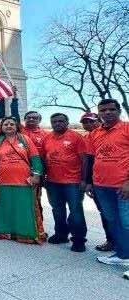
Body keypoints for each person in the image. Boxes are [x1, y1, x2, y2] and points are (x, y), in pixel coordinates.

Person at [86, 99, 129, 272]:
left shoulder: (126, 128)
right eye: (103, 110)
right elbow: (91, 158)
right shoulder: (95, 133)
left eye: (111, 109)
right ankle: (123, 254)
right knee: (113, 221)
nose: (107, 112)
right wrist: (89, 182)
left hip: (123, 186)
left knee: (127, 222)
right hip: (101, 186)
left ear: (119, 111)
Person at [0, 117, 44, 244]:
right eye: (6, 124)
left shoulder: (25, 139)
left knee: (24, 208)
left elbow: (35, 157)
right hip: (3, 181)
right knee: (5, 208)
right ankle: (6, 232)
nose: (9, 126)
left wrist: (36, 175)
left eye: (12, 124)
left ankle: (26, 234)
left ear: (16, 126)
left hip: (24, 181)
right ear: (1, 127)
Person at [42, 113, 88, 252]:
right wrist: (44, 177)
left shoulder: (76, 137)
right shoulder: (47, 138)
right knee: (57, 210)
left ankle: (78, 240)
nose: (57, 123)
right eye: (54, 121)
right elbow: (44, 158)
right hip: (52, 181)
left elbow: (84, 160)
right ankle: (61, 234)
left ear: (67, 122)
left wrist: (84, 180)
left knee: (76, 211)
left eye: (61, 121)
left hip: (72, 182)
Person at [81, 112, 113, 252]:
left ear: (99, 121)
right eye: (85, 122)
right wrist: (87, 181)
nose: (88, 124)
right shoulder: (86, 138)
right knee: (104, 212)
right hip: (97, 182)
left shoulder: (109, 134)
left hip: (117, 181)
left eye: (91, 121)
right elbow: (88, 161)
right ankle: (111, 240)